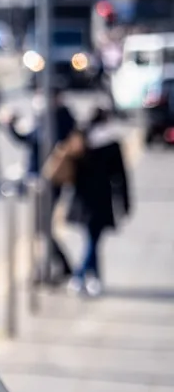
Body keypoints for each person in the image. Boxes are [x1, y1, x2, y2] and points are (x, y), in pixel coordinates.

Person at [5, 92, 76, 282]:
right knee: (40, 228)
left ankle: (60, 267)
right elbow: (30, 139)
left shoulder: (57, 119)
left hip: (48, 183)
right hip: (42, 183)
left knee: (42, 227)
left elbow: (37, 140)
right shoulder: (52, 119)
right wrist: (11, 126)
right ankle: (49, 267)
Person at [67, 106, 132, 298]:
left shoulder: (81, 140)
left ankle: (88, 278)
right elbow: (120, 177)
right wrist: (126, 203)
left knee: (91, 239)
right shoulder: (112, 144)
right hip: (102, 199)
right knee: (93, 240)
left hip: (82, 198)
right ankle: (83, 276)